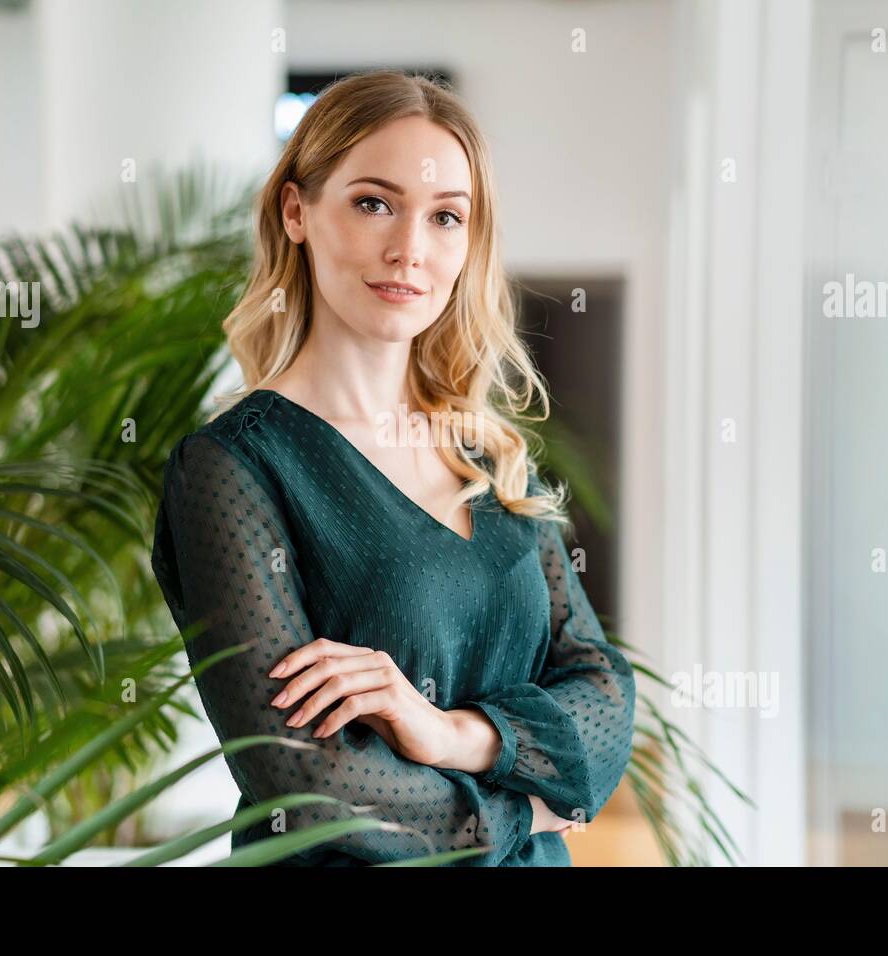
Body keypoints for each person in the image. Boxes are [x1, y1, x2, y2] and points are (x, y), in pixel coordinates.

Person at [150, 70, 636, 866]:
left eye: (446, 217)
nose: (410, 250)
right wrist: (530, 807)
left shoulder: (487, 456)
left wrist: (452, 733)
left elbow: (605, 698)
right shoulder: (232, 469)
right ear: (297, 211)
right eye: (374, 203)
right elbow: (306, 780)